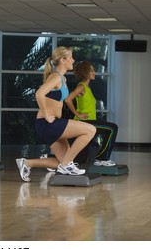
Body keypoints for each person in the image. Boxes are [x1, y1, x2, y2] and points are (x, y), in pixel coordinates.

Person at [15, 46, 96, 182]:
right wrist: (46, 115)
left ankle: (27, 163)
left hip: (50, 124)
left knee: (63, 160)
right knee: (90, 130)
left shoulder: (62, 78)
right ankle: (66, 165)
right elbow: (39, 94)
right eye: (70, 57)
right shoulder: (55, 77)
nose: (73, 60)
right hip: (47, 123)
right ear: (63, 60)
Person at [64, 61, 118, 167]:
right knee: (112, 128)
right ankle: (102, 158)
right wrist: (78, 114)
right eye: (92, 71)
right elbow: (68, 100)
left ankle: (49, 157)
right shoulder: (81, 87)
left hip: (89, 123)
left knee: (80, 160)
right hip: (85, 122)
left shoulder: (87, 88)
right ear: (85, 73)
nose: (94, 73)